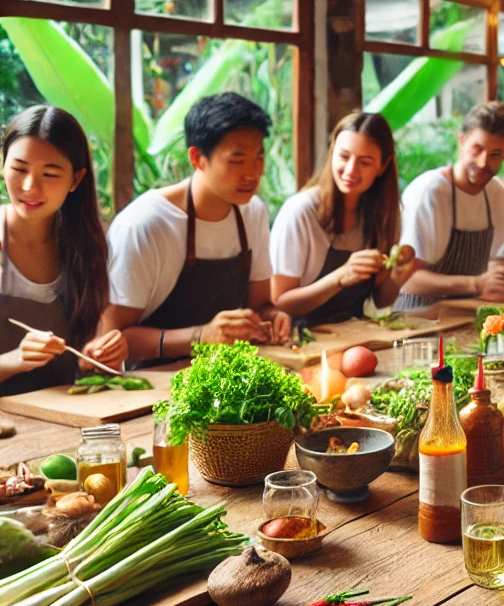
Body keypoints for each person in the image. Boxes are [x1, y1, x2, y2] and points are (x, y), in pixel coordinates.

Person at [102, 92, 290, 364]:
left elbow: (260, 306)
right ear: (197, 158)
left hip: (222, 375)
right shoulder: (144, 225)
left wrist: (273, 318)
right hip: (148, 382)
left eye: (259, 158)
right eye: (236, 160)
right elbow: (112, 339)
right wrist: (200, 337)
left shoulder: (252, 212)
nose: (252, 173)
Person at [0, 106, 127, 394]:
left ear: (76, 179)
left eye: (50, 174)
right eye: (19, 169)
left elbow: (80, 358)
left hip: (63, 418)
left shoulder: (87, 247)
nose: (30, 187)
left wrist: (99, 355)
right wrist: (13, 360)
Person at [270, 112, 415, 324]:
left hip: (352, 334)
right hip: (298, 339)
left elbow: (381, 301)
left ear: (383, 166)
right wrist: (340, 277)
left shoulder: (384, 216)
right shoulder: (300, 211)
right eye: (344, 157)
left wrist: (396, 279)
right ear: (332, 153)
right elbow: (280, 301)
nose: (350, 170)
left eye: (364, 163)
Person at [396, 101, 504, 310]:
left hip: (468, 315)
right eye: (477, 149)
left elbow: (500, 260)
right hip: (417, 320)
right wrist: (475, 284)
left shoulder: (496, 193)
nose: (483, 163)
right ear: (461, 140)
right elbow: (406, 280)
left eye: (495, 154)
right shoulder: (430, 192)